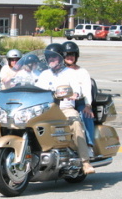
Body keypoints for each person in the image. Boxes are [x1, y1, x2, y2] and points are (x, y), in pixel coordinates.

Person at [35, 43, 95, 174]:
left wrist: (74, 94)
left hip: (65, 109)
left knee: (76, 124)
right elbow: (37, 89)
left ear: (61, 58)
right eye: (49, 58)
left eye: (54, 58)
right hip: (46, 110)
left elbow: (77, 90)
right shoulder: (44, 74)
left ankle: (85, 162)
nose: (52, 60)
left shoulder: (70, 73)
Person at [62, 41, 95, 151]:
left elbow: (87, 90)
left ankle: (89, 146)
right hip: (63, 102)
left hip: (79, 101)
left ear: (76, 56)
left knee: (85, 114)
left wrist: (88, 105)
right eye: (67, 54)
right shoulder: (60, 70)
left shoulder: (82, 72)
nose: (70, 57)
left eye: (72, 54)